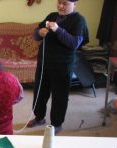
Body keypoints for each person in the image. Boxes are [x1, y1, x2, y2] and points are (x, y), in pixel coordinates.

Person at [28, 0, 89, 134]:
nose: (60, 6)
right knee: (40, 91)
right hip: (44, 62)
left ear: (75, 4)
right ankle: (39, 117)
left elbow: (74, 44)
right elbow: (36, 33)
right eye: (59, 2)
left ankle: (56, 123)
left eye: (65, 3)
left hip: (62, 65)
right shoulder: (51, 15)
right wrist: (40, 33)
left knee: (59, 95)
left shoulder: (79, 20)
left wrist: (57, 30)